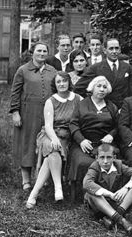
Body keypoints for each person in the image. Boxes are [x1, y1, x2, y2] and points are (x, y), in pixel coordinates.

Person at [26, 72, 82, 208]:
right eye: (58, 82)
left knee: (49, 158)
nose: (62, 84)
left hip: (70, 136)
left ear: (69, 82)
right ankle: (58, 188)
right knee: (53, 147)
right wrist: (54, 138)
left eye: (64, 81)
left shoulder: (78, 99)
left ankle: (33, 194)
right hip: (51, 134)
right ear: (55, 85)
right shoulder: (51, 101)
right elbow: (49, 126)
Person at [9, 41, 57, 191]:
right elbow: (15, 93)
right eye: (39, 51)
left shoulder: (52, 70)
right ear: (32, 52)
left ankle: (44, 177)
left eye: (44, 51)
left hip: (48, 113)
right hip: (28, 112)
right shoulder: (23, 70)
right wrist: (15, 112)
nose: (42, 54)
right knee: (27, 143)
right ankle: (26, 180)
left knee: (46, 142)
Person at [68, 76, 118, 192]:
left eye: (104, 87)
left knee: (109, 160)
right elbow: (73, 124)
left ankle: (108, 190)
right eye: (99, 86)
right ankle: (83, 192)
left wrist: (111, 135)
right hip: (85, 143)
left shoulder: (111, 106)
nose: (101, 89)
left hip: (105, 143)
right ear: (92, 88)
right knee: (84, 162)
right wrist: (81, 140)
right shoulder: (82, 104)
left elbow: (118, 125)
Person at [83, 143, 132, 235]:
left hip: (116, 203)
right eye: (102, 157)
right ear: (97, 158)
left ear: (114, 157)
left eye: (109, 157)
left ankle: (113, 216)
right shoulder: (94, 167)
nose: (105, 161)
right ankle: (122, 220)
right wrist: (109, 194)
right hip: (100, 205)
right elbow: (86, 183)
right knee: (91, 192)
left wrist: (125, 188)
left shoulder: (118, 165)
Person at [74, 38, 132, 108]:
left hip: (123, 109)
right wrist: (93, 101)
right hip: (104, 110)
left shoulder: (127, 67)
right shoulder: (96, 68)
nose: (114, 51)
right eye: (111, 49)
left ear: (120, 50)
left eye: (116, 48)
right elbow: (78, 88)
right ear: (104, 50)